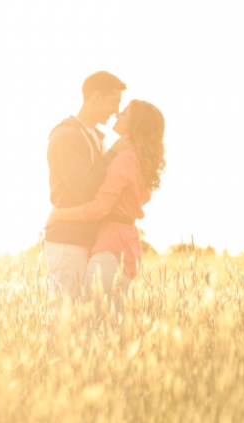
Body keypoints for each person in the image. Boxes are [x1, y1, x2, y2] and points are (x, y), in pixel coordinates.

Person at [47, 99, 165, 317]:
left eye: (125, 113)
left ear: (134, 125)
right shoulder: (141, 160)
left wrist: (59, 215)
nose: (118, 113)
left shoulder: (124, 160)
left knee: (89, 321)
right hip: (129, 246)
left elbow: (99, 208)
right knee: (111, 325)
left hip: (110, 247)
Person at [45, 71, 130, 315]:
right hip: (68, 239)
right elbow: (84, 190)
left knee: (82, 317)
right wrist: (112, 154)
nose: (116, 110)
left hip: (85, 238)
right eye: (114, 102)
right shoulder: (67, 135)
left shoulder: (94, 137)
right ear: (96, 98)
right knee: (64, 314)